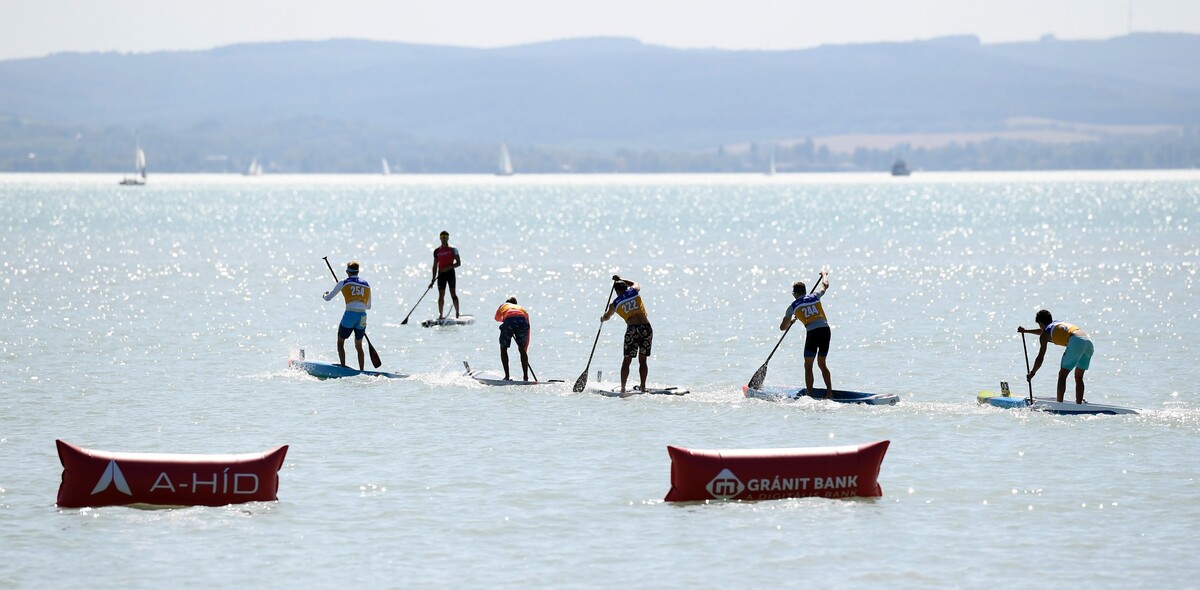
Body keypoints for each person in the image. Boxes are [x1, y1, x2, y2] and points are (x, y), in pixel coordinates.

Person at [1018, 309, 1094, 404]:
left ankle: (1059, 404)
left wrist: (1032, 373)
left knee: (1062, 375)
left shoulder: (1045, 334)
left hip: (1076, 341)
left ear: (1041, 323)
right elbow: (1042, 331)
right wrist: (1025, 331)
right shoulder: (1057, 324)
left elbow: (1040, 357)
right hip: (1088, 342)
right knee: (1079, 377)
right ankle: (1079, 405)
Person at [780, 272, 832, 398]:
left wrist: (791, 321)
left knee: (808, 365)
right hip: (825, 330)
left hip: (813, 333)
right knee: (822, 364)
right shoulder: (815, 296)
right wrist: (824, 274)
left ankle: (809, 394)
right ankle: (829, 392)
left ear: (794, 294)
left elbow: (782, 328)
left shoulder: (792, 307)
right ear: (805, 291)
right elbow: (825, 285)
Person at [601, 275, 652, 394]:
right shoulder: (633, 291)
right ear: (626, 287)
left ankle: (623, 388)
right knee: (643, 360)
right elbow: (636, 282)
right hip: (646, 328)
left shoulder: (614, 303)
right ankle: (643, 387)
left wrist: (602, 319)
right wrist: (621, 278)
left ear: (616, 291)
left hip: (633, 330)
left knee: (627, 360)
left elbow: (607, 316)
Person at [323, 260, 371, 370]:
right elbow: (368, 306)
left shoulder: (343, 283)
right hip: (363, 316)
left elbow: (328, 298)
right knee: (359, 345)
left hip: (350, 314)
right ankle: (362, 370)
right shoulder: (366, 284)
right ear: (358, 272)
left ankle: (343, 367)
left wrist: (325, 294)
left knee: (340, 341)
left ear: (347, 272)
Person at [494, 296, 531, 381]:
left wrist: (505, 320)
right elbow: (528, 330)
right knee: (522, 350)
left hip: (509, 320)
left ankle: (507, 376)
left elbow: (496, 318)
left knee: (503, 348)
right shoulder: (522, 310)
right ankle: (525, 377)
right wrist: (525, 348)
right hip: (522, 321)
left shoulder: (504, 305)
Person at [431, 230, 461, 319]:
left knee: (453, 294)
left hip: (450, 273)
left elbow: (458, 263)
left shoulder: (453, 249)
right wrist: (433, 279)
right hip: (441, 275)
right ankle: (441, 315)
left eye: (445, 238)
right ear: (440, 238)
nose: (444, 239)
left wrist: (448, 268)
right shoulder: (436, 251)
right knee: (441, 295)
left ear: (448, 238)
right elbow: (435, 265)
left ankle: (457, 314)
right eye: (442, 238)